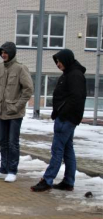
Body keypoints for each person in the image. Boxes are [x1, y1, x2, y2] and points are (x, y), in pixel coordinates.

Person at [31, 49, 86, 192]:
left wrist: (62, 114)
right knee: (67, 150)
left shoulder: (75, 75)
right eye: (56, 62)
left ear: (66, 60)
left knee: (57, 150)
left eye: (59, 61)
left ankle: (47, 180)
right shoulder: (69, 73)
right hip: (65, 118)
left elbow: (76, 98)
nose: (57, 64)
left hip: (66, 119)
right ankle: (68, 182)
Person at [0, 42, 34, 183]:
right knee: (3, 142)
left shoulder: (20, 68)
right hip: (2, 111)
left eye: (6, 52)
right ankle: (3, 169)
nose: (3, 54)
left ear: (12, 53)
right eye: (2, 52)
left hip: (15, 113)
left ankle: (12, 171)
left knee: (13, 142)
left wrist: (17, 106)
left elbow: (28, 90)